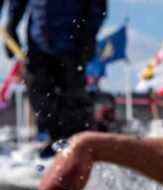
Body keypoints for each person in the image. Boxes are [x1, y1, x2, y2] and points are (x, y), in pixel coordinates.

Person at [2, 0, 107, 157]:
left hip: (72, 45)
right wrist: (12, 24)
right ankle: (52, 142)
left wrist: (90, 34)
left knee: (73, 97)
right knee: (40, 93)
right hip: (39, 45)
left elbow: (97, 6)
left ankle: (77, 144)